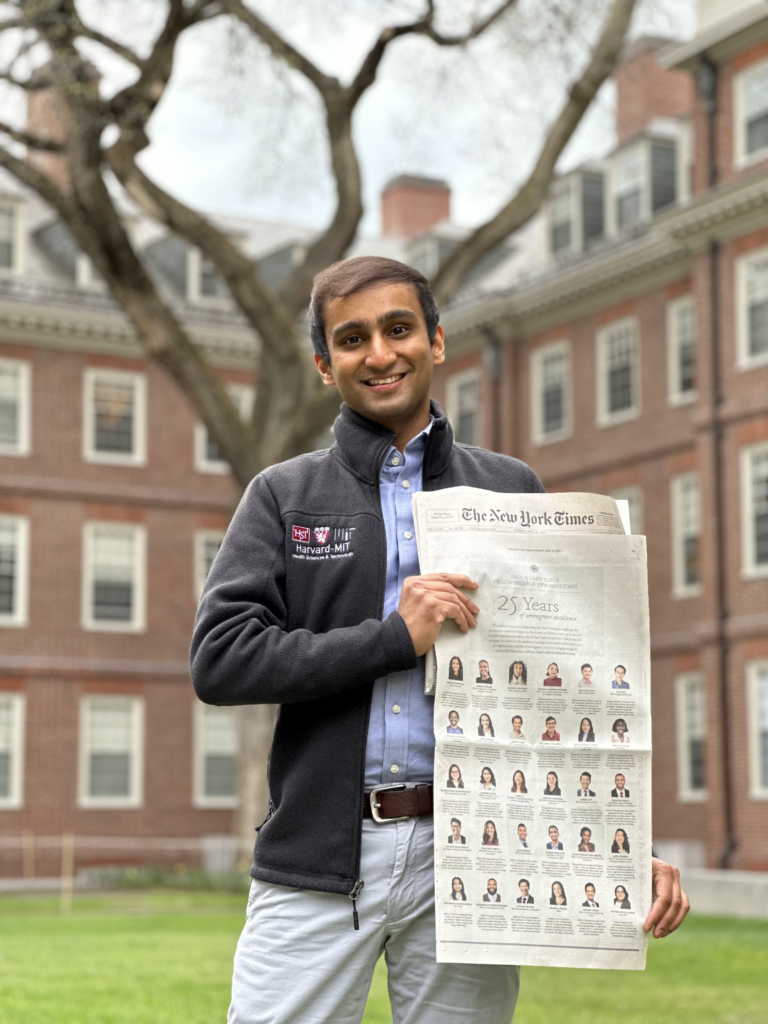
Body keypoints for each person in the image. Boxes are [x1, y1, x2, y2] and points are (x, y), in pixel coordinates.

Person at [191, 255, 689, 1023]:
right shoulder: (285, 496)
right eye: (352, 339)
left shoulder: (510, 489)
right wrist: (395, 637)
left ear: (438, 341)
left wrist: (611, 841)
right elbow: (221, 658)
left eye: (399, 329)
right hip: (319, 856)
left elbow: (559, 688)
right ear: (325, 366)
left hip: (478, 859)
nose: (380, 354)